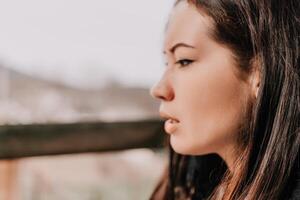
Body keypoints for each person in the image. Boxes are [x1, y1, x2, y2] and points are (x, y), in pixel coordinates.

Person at [149, 0, 299, 199]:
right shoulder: (189, 184)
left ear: (259, 72)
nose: (158, 89)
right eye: (167, 63)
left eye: (184, 61)